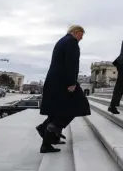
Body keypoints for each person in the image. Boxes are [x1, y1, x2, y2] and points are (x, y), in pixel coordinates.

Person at [38, 25, 91, 153]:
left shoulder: (62, 41)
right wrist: (71, 82)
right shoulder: (71, 42)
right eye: (81, 34)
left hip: (55, 80)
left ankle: (48, 137)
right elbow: (71, 63)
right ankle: (51, 129)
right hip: (64, 81)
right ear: (75, 32)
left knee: (57, 110)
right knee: (80, 104)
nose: (82, 38)